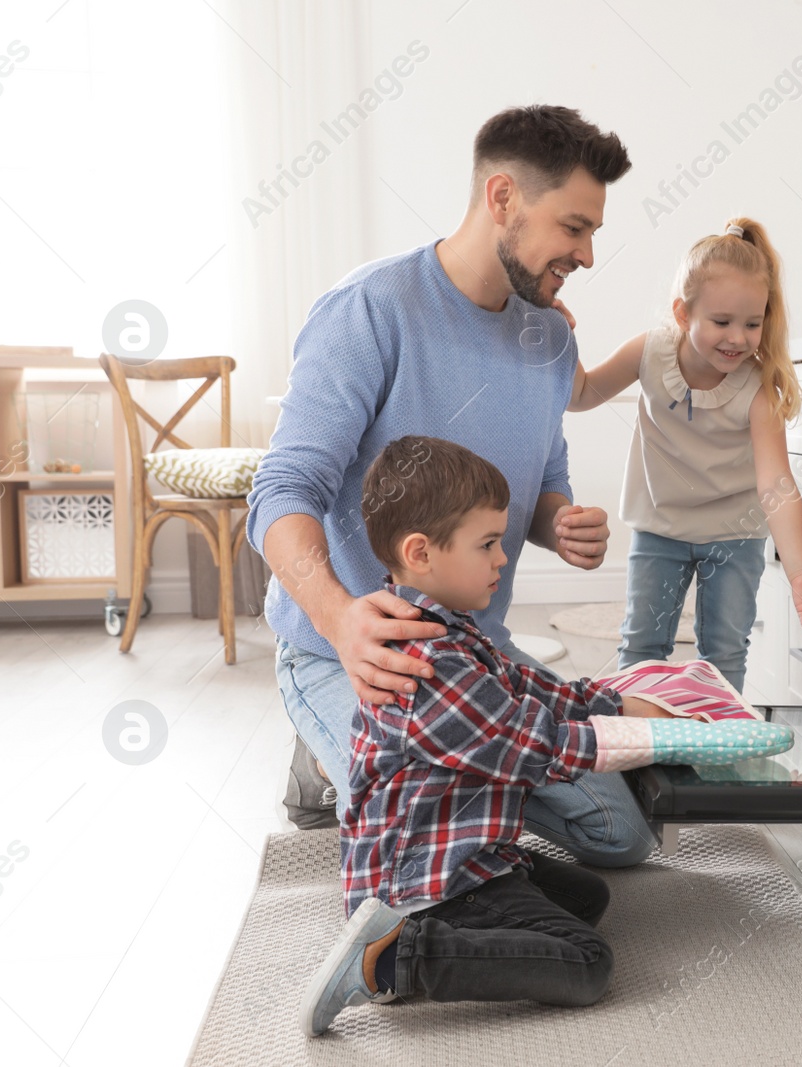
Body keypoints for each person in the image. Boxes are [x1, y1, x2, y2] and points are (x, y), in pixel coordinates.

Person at [245, 104, 653, 865]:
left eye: (592, 230)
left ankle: (384, 764)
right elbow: (282, 489)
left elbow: (545, 477)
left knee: (619, 837)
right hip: (351, 651)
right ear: (503, 199)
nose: (588, 254)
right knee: (431, 836)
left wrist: (558, 521)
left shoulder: (550, 335)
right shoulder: (370, 310)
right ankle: (320, 745)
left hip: (473, 654)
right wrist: (339, 620)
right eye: (573, 227)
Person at [302, 438, 793, 1035]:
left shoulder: (457, 634)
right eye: (487, 545)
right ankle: (394, 960)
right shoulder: (426, 664)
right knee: (587, 964)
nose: (502, 558)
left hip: (466, 856)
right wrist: (657, 738)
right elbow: (536, 745)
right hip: (419, 885)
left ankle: (444, 925)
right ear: (421, 553)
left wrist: (621, 699)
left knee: (587, 898)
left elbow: (539, 693)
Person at [566, 217, 802, 692]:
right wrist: (557, 337)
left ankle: (717, 748)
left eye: (752, 324)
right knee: (642, 647)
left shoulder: (756, 387)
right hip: (661, 528)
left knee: (724, 653)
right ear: (683, 314)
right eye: (722, 322)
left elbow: (776, 485)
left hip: (734, 537)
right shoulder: (649, 352)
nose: (738, 338)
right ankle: (637, 745)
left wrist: (801, 573)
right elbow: (582, 394)